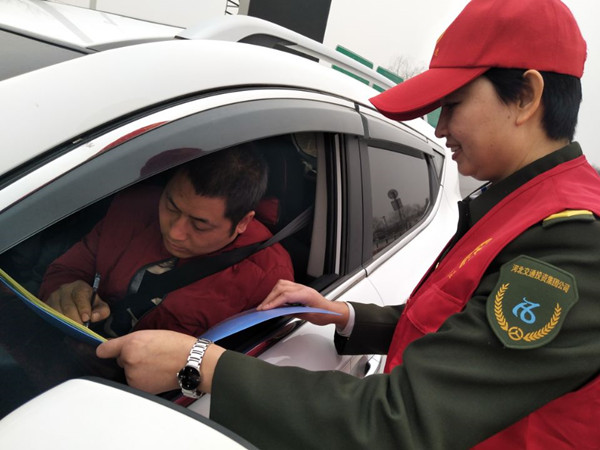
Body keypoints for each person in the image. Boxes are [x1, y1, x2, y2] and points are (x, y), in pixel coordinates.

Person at [96, 0, 600, 448]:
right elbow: (460, 326)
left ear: (526, 96)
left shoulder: (573, 241)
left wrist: (200, 365)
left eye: (452, 105)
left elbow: (398, 423)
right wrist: (344, 314)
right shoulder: (523, 204)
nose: (441, 127)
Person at [39, 145, 294, 337]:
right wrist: (66, 292)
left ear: (243, 222)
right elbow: (65, 271)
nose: (174, 233)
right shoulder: (132, 208)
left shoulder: (268, 276)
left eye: (199, 224)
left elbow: (237, 363)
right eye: (171, 206)